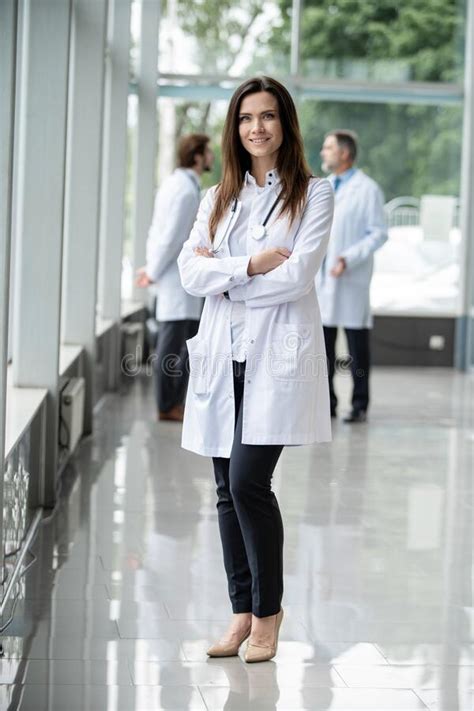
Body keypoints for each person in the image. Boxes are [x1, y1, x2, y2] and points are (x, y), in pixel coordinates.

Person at [177, 76, 334, 663]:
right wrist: (249, 265)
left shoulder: (312, 194)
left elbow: (298, 276)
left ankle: (269, 614)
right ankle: (240, 613)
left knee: (248, 483)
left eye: (267, 116)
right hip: (225, 358)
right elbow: (188, 273)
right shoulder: (217, 196)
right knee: (224, 490)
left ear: (284, 124)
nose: (256, 128)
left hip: (276, 358)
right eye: (246, 118)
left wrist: (225, 277)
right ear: (234, 128)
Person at [136, 134, 214, 421]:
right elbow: (170, 238)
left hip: (176, 279)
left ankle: (173, 404)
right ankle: (168, 405)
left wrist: (151, 268)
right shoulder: (183, 191)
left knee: (179, 346)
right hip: (175, 280)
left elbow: (162, 235)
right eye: (208, 152)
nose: (211, 157)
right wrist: (152, 271)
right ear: (197, 156)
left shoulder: (182, 185)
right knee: (173, 348)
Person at [317, 130, 388, 423]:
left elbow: (378, 233)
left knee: (357, 346)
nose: (323, 152)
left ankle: (359, 403)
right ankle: (327, 403)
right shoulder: (323, 187)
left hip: (351, 278)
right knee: (323, 348)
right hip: (322, 280)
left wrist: (349, 257)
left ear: (344, 153)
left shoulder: (367, 189)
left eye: (328, 147)